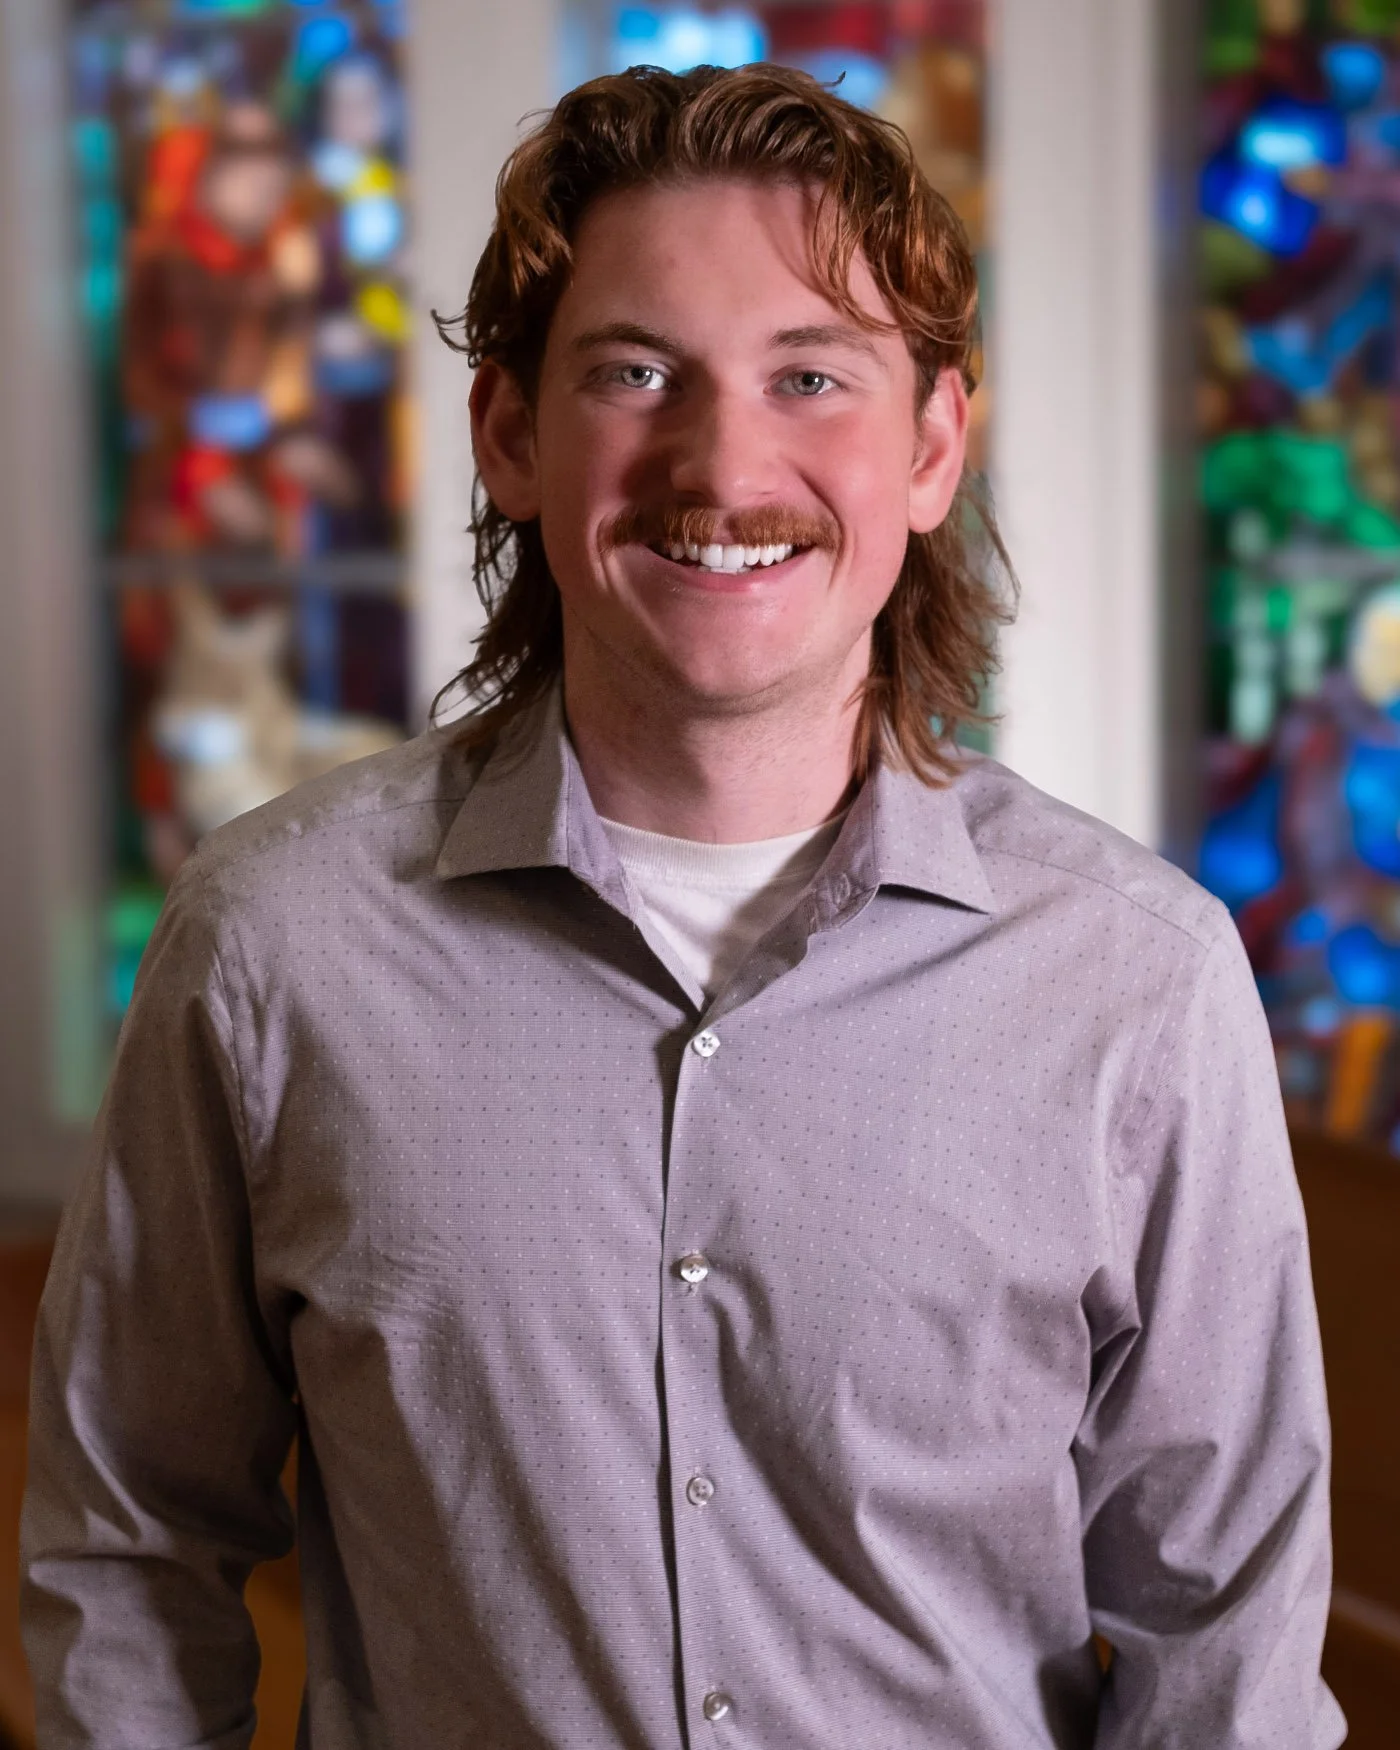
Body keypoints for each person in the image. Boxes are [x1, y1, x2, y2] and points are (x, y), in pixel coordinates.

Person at [21, 63, 1344, 1750]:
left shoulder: (1140, 981)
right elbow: (131, 1540)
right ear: (511, 434)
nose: (725, 465)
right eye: (636, 372)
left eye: (813, 376)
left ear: (934, 445)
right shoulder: (273, 944)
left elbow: (1225, 1649)